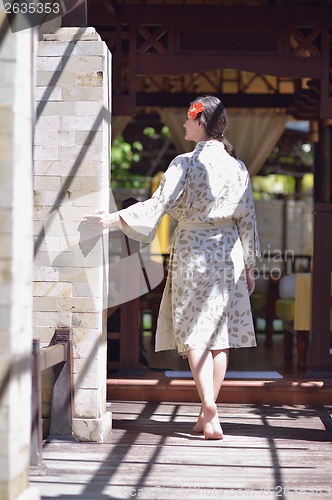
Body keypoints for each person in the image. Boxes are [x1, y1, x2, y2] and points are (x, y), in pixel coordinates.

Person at [82, 95, 261, 440]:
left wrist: (112, 220)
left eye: (187, 119)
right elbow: (248, 220)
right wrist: (251, 267)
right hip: (229, 252)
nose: (183, 124)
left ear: (201, 122)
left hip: (194, 249)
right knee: (220, 337)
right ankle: (209, 416)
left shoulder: (184, 163)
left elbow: (157, 205)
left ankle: (209, 403)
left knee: (194, 329)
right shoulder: (237, 167)